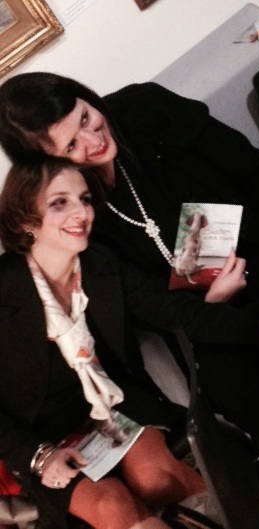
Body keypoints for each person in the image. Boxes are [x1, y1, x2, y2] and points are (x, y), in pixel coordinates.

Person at [0, 73, 259, 496]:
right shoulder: (74, 211)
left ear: (88, 98)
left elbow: (257, 173)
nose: (92, 140)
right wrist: (212, 300)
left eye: (86, 117)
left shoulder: (146, 111)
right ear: (47, 164)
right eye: (70, 146)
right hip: (192, 308)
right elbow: (138, 303)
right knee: (230, 386)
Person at [0, 160, 210, 529]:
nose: (81, 213)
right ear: (24, 220)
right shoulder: (4, 291)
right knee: (111, 505)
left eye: (84, 199)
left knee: (155, 478)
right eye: (60, 203)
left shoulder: (99, 261)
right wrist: (39, 456)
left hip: (115, 405)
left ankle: (232, 513)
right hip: (43, 438)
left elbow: (169, 309)